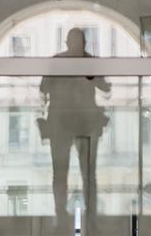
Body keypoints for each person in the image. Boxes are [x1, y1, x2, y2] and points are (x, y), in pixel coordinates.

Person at [40, 27, 111, 221]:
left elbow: (43, 89)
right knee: (86, 174)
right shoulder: (89, 62)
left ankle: (62, 216)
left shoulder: (57, 62)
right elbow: (105, 88)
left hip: (64, 123)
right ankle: (88, 218)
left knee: (63, 174)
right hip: (83, 124)